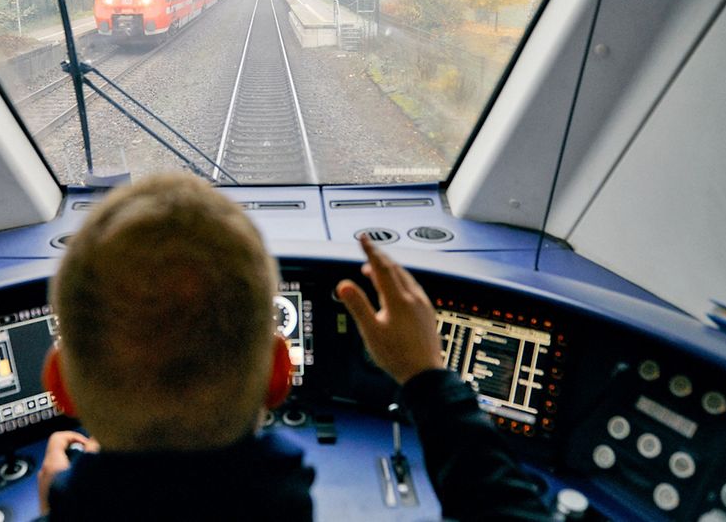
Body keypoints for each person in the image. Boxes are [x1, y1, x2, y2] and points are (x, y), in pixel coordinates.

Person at [37, 173, 551, 520]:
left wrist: (64, 501)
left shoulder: (66, 499)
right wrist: (427, 378)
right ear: (280, 373)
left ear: (60, 384)